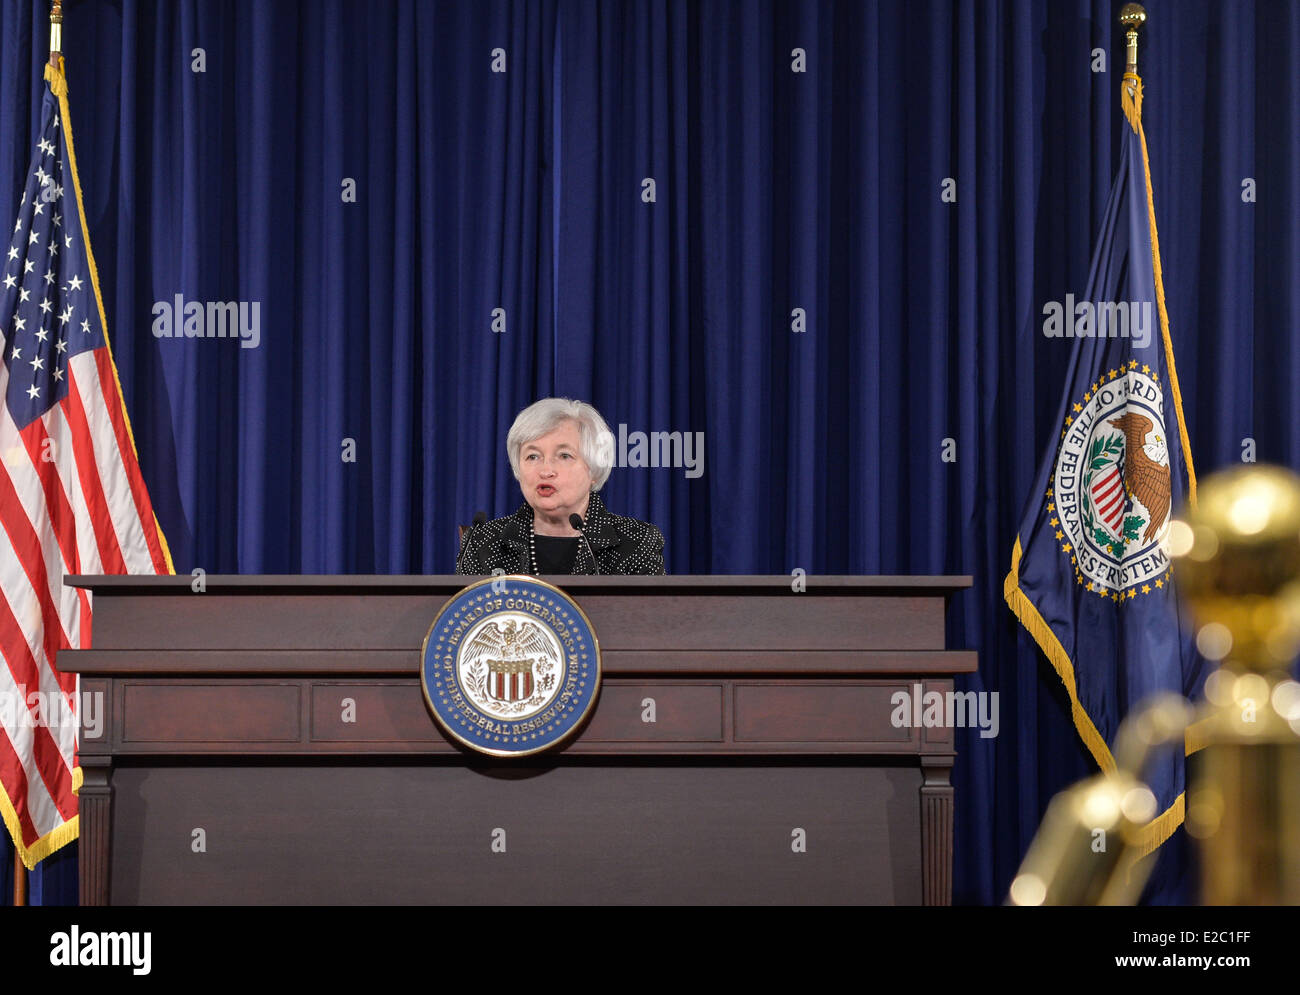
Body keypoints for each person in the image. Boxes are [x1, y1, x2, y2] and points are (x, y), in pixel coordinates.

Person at [455, 398, 666, 575]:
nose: (546, 470)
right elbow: (469, 621)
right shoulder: (483, 542)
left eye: (564, 456)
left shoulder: (637, 542)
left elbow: (647, 620)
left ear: (593, 468)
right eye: (532, 456)